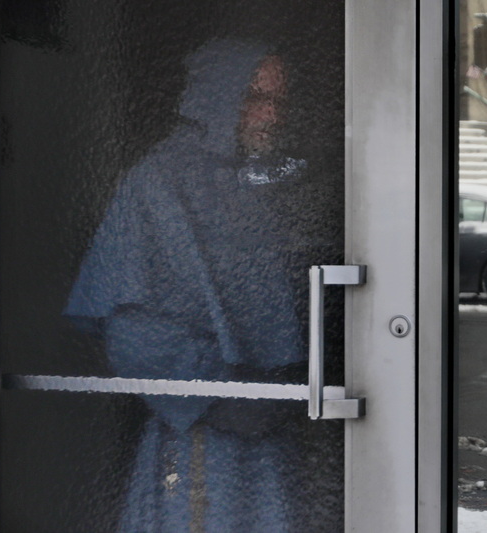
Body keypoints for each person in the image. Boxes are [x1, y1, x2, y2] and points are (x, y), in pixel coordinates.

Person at [65, 38, 342, 532]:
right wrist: (223, 396)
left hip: (273, 439)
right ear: (219, 97)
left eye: (279, 100)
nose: (272, 115)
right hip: (201, 434)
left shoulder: (259, 184)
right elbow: (134, 332)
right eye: (257, 97)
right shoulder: (158, 184)